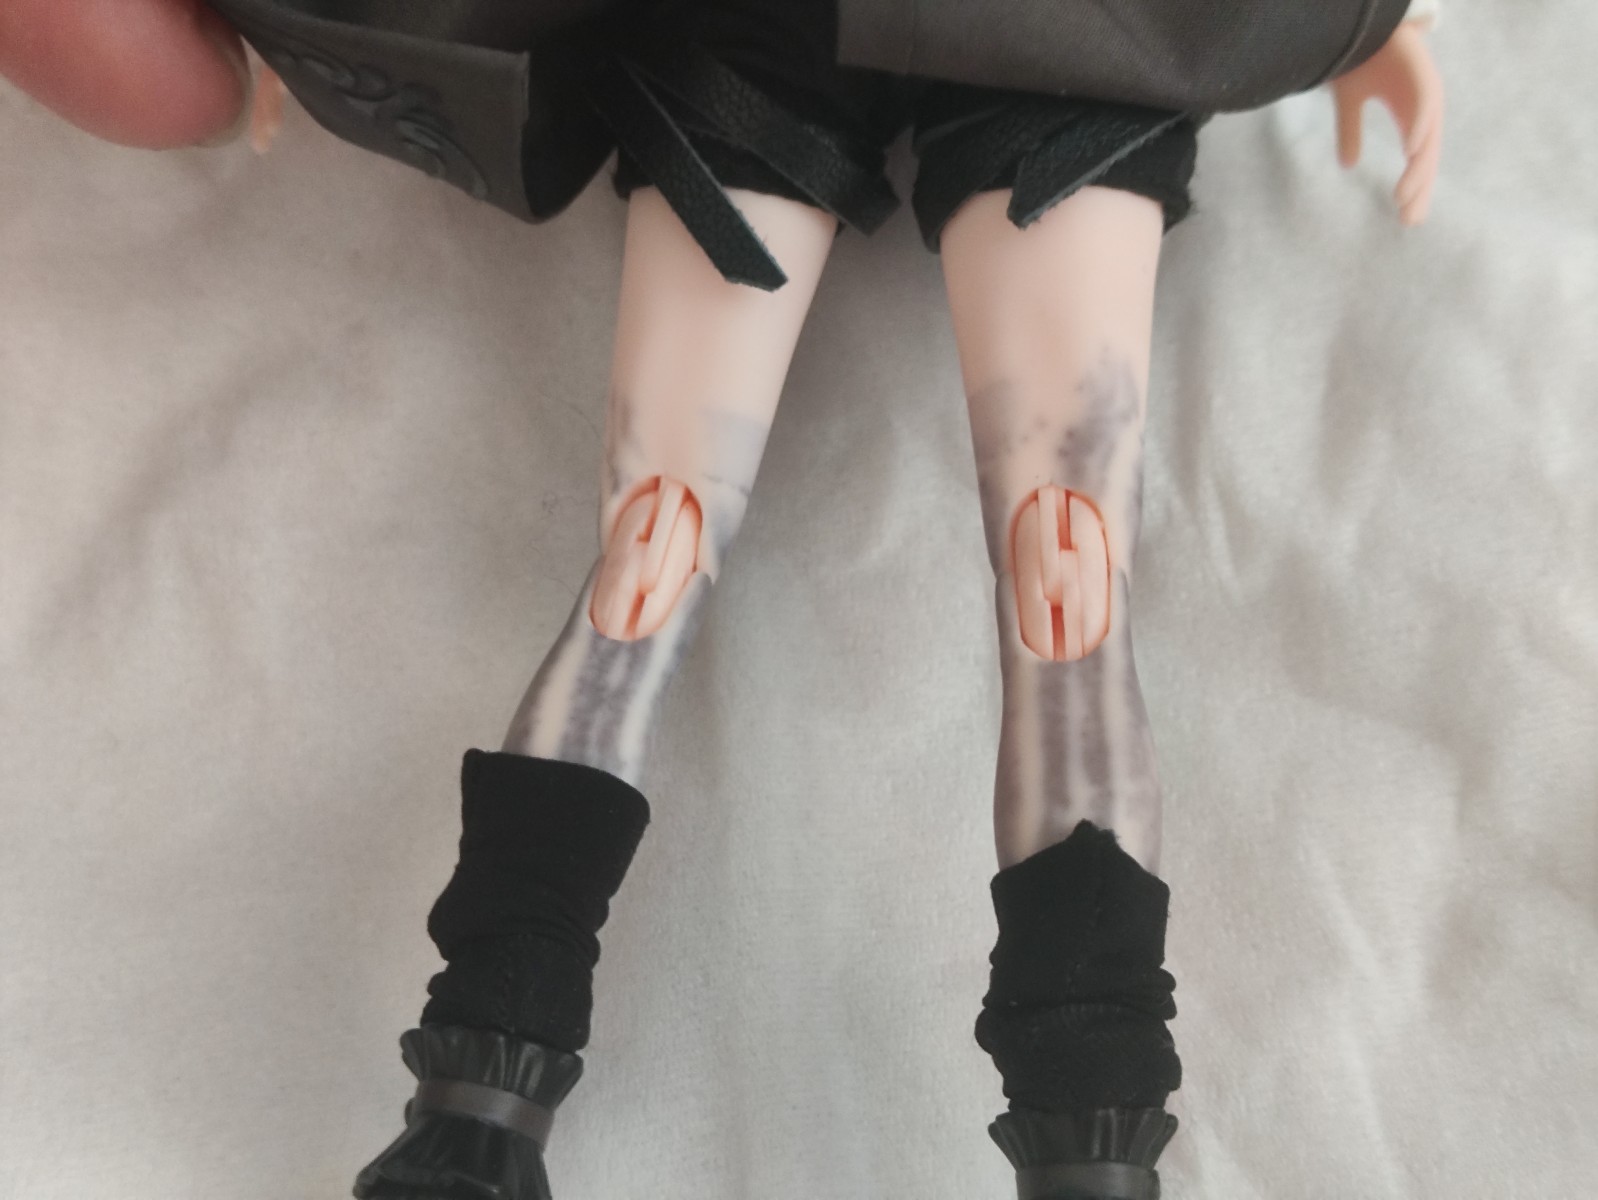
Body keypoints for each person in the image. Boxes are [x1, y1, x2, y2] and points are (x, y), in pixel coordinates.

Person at [2, 2, 1443, 1197]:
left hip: (1054, 42)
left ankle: (1087, 1138)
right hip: (791, 41)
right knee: (672, 544)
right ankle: (475, 1105)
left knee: (1051, 566)